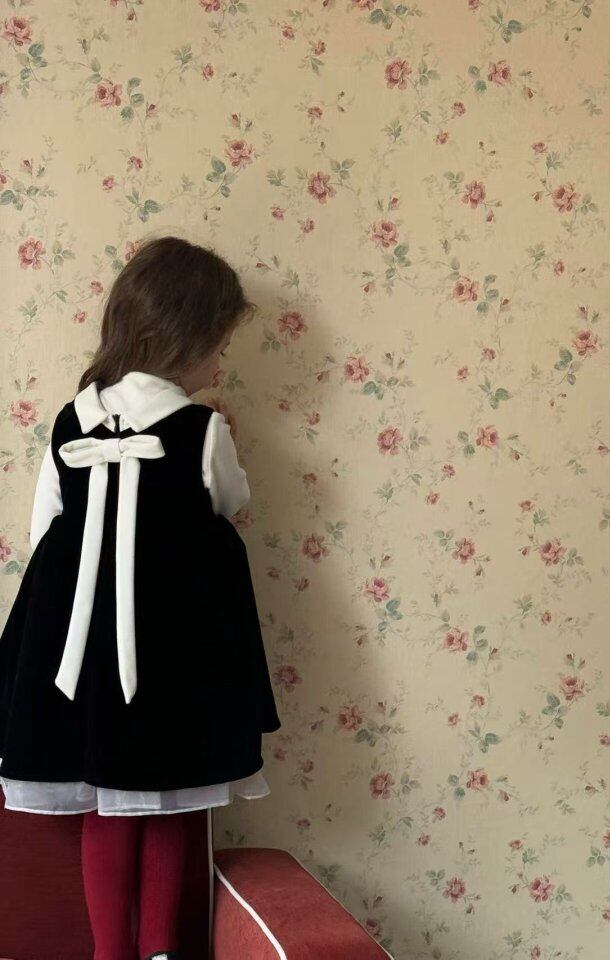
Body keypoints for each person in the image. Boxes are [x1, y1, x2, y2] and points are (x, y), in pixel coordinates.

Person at [0, 235, 282, 960]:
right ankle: (158, 948)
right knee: (169, 802)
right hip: (172, 652)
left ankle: (111, 952)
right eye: (219, 346)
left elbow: (44, 532)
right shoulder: (203, 430)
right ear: (187, 338)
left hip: (81, 658)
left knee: (106, 806)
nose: (220, 364)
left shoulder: (70, 421)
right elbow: (231, 500)